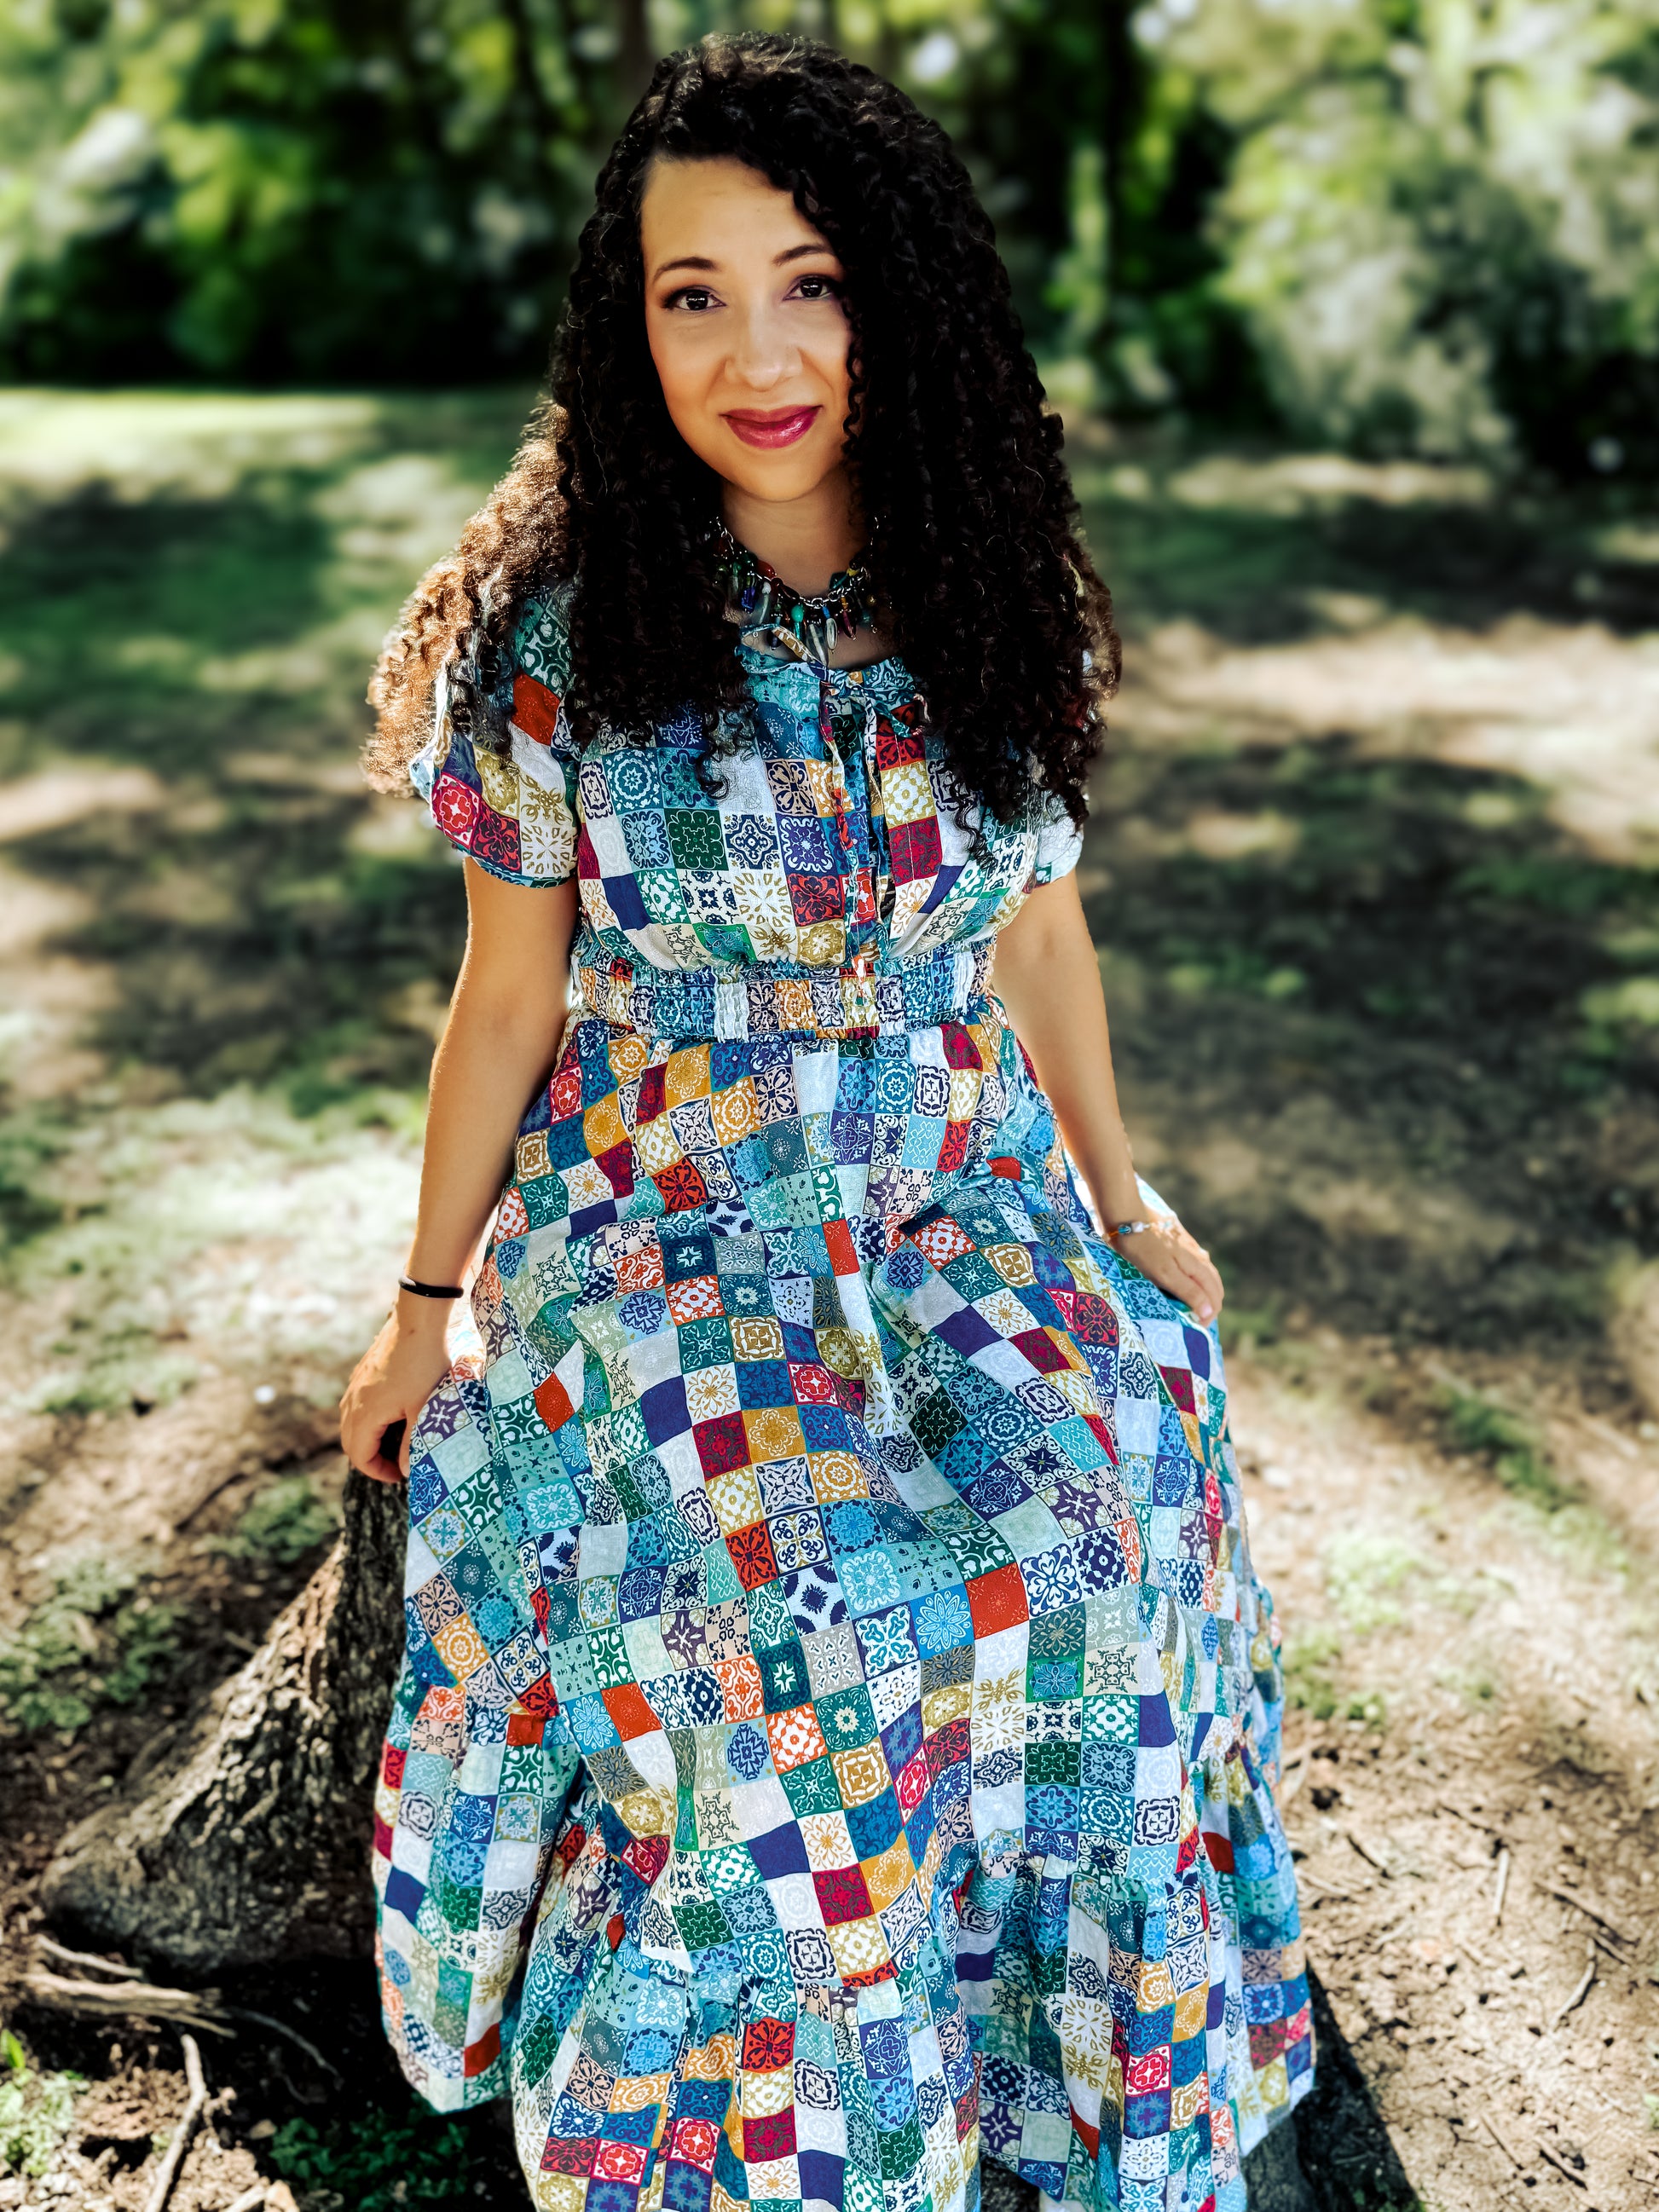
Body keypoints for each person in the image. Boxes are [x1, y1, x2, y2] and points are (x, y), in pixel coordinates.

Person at [340, 32, 1310, 2212]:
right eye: (694, 294)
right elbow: (507, 991)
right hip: (663, 1212)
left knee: (1110, 1511)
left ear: (899, 297)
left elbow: (1039, 937)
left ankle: (1070, 2088)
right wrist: (423, 1304)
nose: (756, 351)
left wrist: (1119, 1193)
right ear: (629, 322)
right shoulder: (564, 628)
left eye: (811, 281)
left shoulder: (994, 586)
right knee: (803, 1631)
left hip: (952, 1184)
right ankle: (776, 2133)